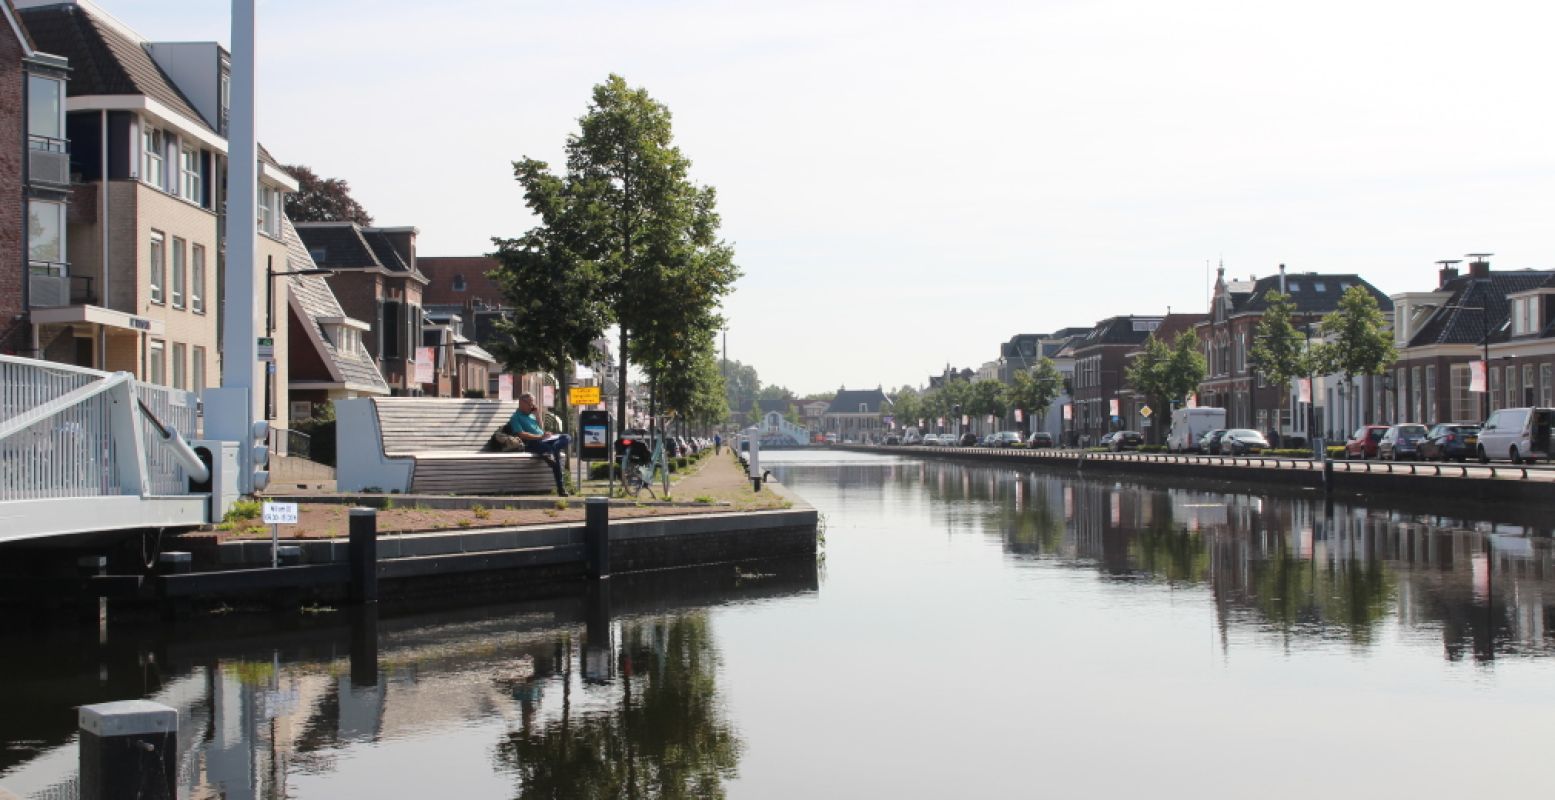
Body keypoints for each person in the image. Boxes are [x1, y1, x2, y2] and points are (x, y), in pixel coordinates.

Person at [507, 392, 570, 496]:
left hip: (544, 440)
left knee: (567, 437)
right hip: (532, 443)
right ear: (522, 403)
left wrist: (537, 415)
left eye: (533, 403)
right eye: (530, 403)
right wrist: (540, 437)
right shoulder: (516, 417)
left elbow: (540, 429)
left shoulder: (531, 416)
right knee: (556, 457)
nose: (532, 406)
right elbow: (521, 434)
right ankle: (561, 489)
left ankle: (552, 450)